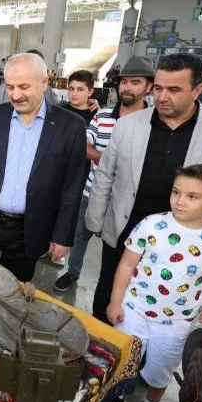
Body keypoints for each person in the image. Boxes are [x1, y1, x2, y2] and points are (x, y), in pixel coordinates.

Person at [85, 53, 202, 324]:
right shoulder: (128, 125)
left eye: (173, 90)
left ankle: (148, 356)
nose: (161, 97)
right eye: (158, 88)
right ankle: (102, 349)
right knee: (109, 289)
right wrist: (97, 218)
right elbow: (105, 175)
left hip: (185, 237)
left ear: (197, 90)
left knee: (163, 299)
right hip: (127, 225)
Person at [101, 164, 202, 402]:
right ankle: (115, 394)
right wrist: (116, 301)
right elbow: (127, 265)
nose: (180, 201)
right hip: (134, 309)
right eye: (176, 192)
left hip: (177, 321)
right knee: (123, 356)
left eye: (192, 196)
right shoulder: (151, 225)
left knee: (163, 366)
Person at [0, 53, 86, 282]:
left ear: (44, 83)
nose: (16, 95)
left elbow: (71, 188)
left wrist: (62, 236)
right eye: (10, 87)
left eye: (24, 87)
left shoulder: (70, 127)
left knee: (14, 293)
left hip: (29, 228)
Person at [55, 56, 153, 291]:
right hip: (92, 190)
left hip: (129, 200)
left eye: (136, 82)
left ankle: (115, 285)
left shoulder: (153, 123)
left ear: (149, 87)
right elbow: (85, 145)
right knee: (79, 235)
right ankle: (73, 272)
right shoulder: (102, 116)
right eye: (124, 82)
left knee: (123, 246)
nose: (128, 87)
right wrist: (109, 163)